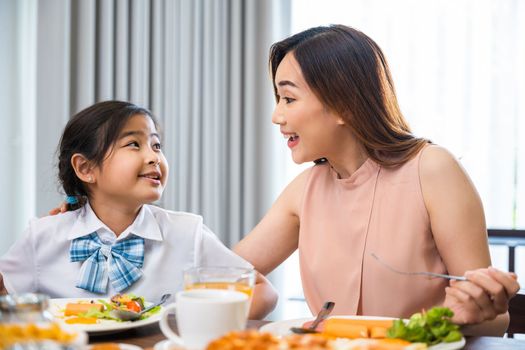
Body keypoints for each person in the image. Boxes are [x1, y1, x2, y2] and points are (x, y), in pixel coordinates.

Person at [233, 25, 520, 334]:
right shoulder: (303, 191)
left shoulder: (434, 171)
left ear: (344, 105)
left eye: (288, 98)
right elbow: (222, 277)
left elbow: (495, 319)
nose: (277, 115)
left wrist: (462, 316)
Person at [0, 101, 277, 319]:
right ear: (86, 168)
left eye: (157, 145)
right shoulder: (43, 236)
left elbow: (263, 292)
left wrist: (193, 326)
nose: (154, 156)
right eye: (134, 144)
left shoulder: (186, 233)